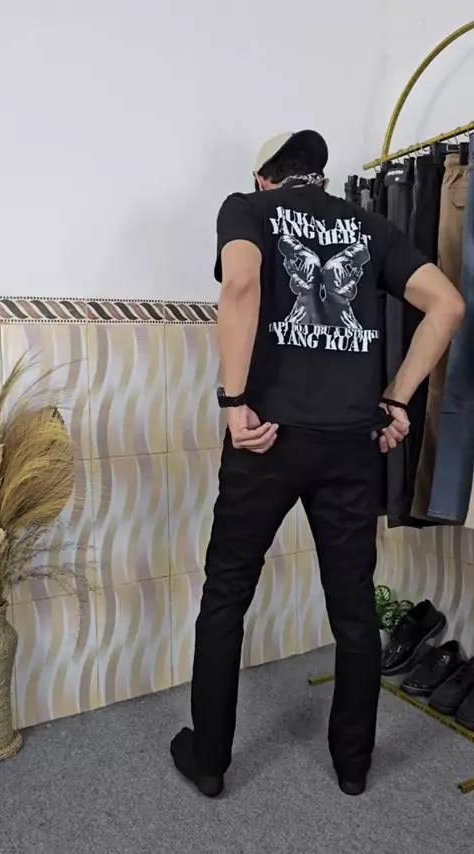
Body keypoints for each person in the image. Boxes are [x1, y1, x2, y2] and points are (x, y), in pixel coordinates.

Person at [170, 130, 465, 798]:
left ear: (264, 178)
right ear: (322, 179)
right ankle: (353, 766)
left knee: (226, 597)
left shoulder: (247, 208)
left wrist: (233, 402)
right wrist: (395, 399)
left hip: (266, 437)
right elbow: (448, 305)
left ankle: (210, 760)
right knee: (354, 608)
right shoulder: (369, 226)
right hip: (349, 444)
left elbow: (241, 283)